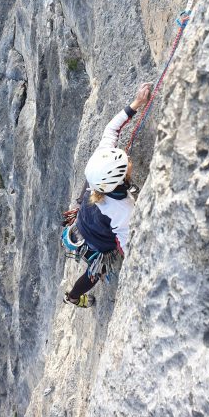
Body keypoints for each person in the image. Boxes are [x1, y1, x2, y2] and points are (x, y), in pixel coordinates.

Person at [63, 83, 152, 308]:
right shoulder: (122, 209)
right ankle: (73, 296)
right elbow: (126, 246)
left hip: (84, 220)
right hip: (98, 240)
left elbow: (111, 130)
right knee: (95, 272)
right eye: (125, 163)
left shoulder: (98, 169)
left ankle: (74, 294)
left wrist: (136, 103)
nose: (127, 158)